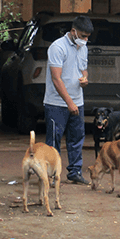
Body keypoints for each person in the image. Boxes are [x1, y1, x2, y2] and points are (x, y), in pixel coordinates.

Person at [44, 15, 94, 185]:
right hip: (56, 103)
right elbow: (56, 79)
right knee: (54, 140)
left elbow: (84, 69)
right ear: (73, 32)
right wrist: (69, 103)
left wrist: (85, 79)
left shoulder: (83, 48)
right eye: (83, 36)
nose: (85, 40)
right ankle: (51, 174)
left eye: (87, 37)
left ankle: (75, 171)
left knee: (77, 138)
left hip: (77, 100)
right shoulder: (57, 47)